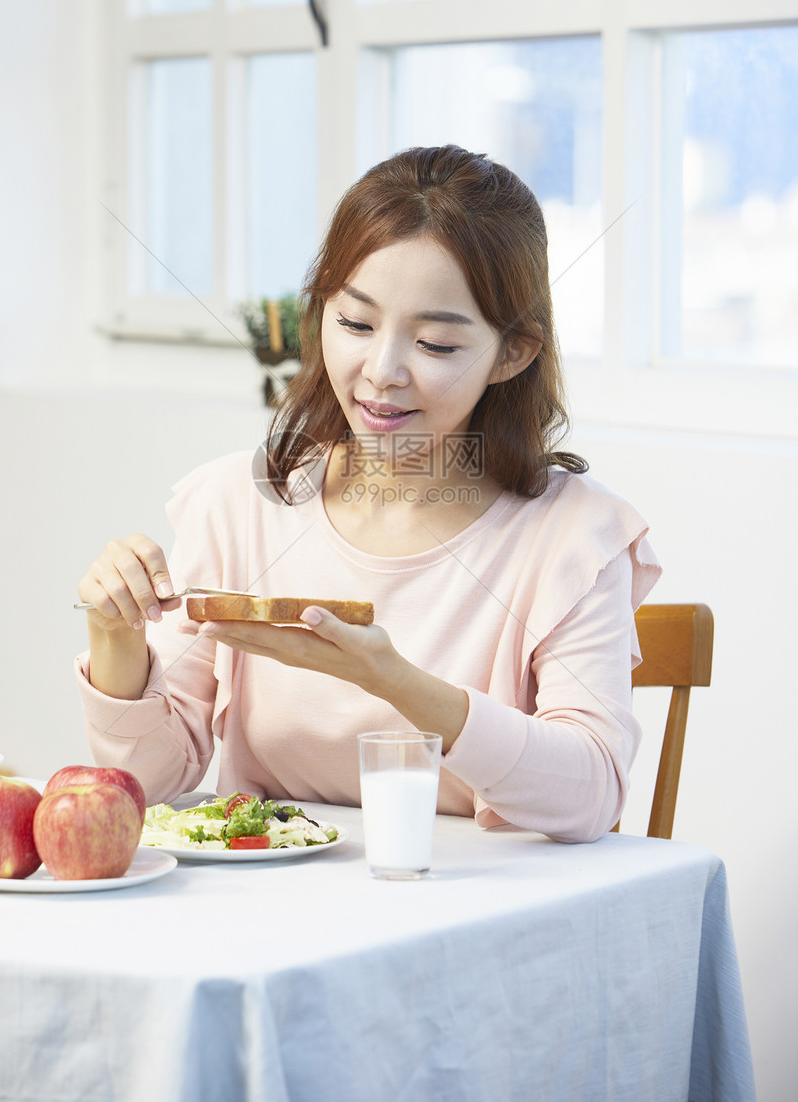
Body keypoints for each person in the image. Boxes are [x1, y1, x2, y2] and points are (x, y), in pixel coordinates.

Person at [75, 145, 660, 843]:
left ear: (513, 352)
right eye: (354, 324)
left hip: (477, 917)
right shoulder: (240, 501)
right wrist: (116, 639)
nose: (381, 372)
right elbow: (153, 779)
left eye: (437, 345)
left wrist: (395, 682)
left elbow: (590, 795)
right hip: (271, 917)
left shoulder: (574, 535)